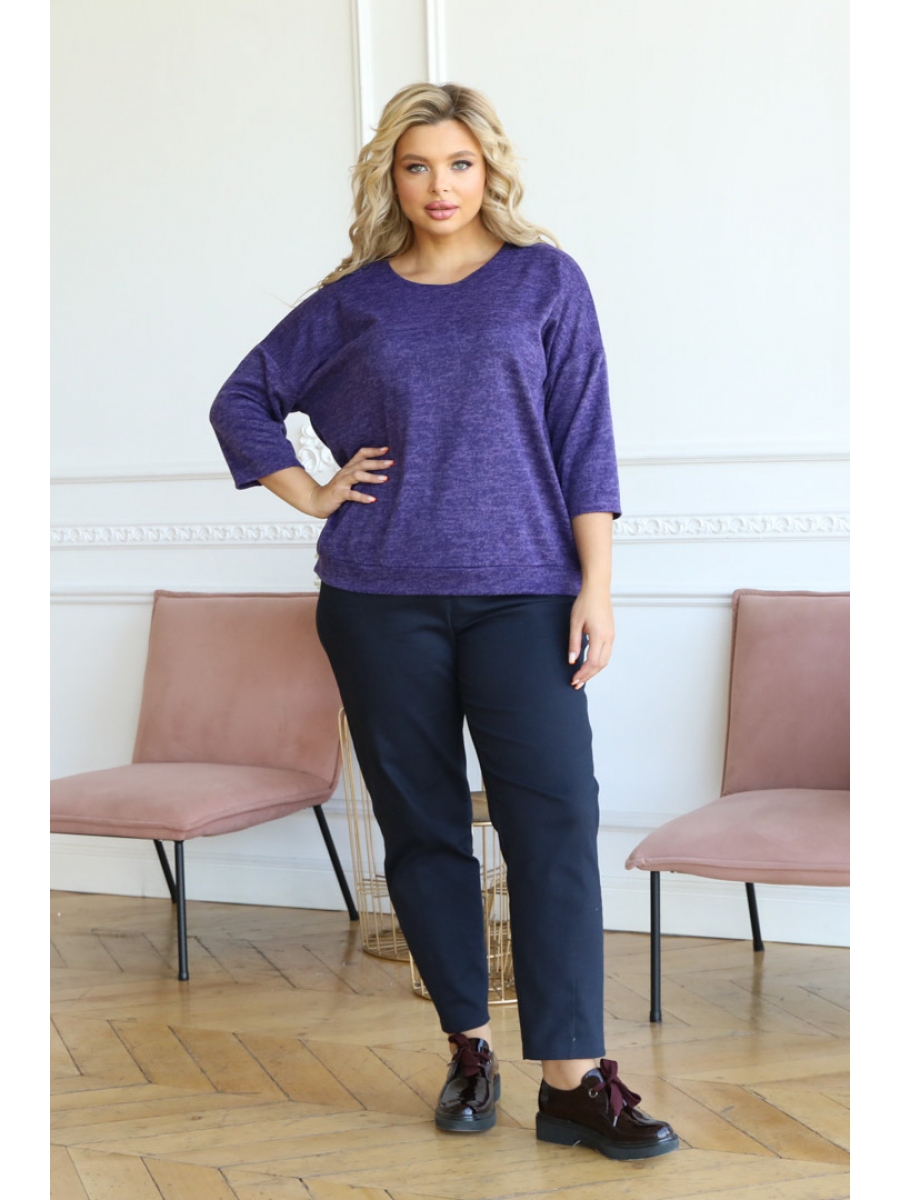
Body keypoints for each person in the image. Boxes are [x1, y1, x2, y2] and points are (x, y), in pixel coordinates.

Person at [210, 82, 678, 1161]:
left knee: (554, 819)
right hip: (379, 599)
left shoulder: (544, 280)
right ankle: (468, 1049)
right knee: (422, 826)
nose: (439, 186)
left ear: (488, 171)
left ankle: (572, 1083)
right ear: (391, 176)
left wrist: (597, 587)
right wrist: (313, 492)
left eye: (459, 164)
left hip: (527, 595)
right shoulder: (356, 301)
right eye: (417, 165)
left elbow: (586, 440)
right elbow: (242, 397)